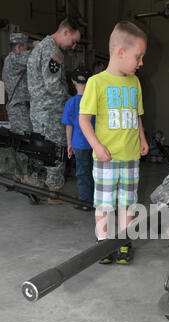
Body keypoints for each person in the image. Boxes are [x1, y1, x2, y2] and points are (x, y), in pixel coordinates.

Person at [79, 21, 149, 264]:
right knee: (105, 204)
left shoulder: (135, 83)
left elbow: (137, 114)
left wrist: (142, 138)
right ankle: (103, 241)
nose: (141, 63)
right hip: (106, 158)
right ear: (120, 52)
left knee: (128, 203)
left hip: (130, 157)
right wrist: (97, 146)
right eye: (138, 57)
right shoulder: (96, 82)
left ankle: (123, 240)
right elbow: (84, 119)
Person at [27, 17, 81, 190]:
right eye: (74, 41)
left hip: (39, 112)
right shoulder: (53, 52)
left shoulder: (40, 47)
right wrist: (72, 104)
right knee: (56, 151)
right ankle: (54, 191)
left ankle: (38, 187)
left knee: (41, 151)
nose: (73, 46)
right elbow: (54, 87)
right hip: (51, 113)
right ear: (65, 32)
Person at [62, 65, 95, 210]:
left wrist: (69, 144)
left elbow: (69, 126)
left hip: (79, 144)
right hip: (96, 144)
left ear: (73, 81)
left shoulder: (71, 102)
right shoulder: (96, 101)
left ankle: (84, 202)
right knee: (97, 173)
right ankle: (99, 202)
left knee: (82, 173)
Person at [2, 33, 32, 134]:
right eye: (26, 48)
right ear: (19, 47)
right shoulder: (14, 59)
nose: (27, 51)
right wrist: (40, 46)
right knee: (25, 140)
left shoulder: (12, 59)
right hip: (18, 109)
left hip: (21, 107)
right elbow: (34, 57)